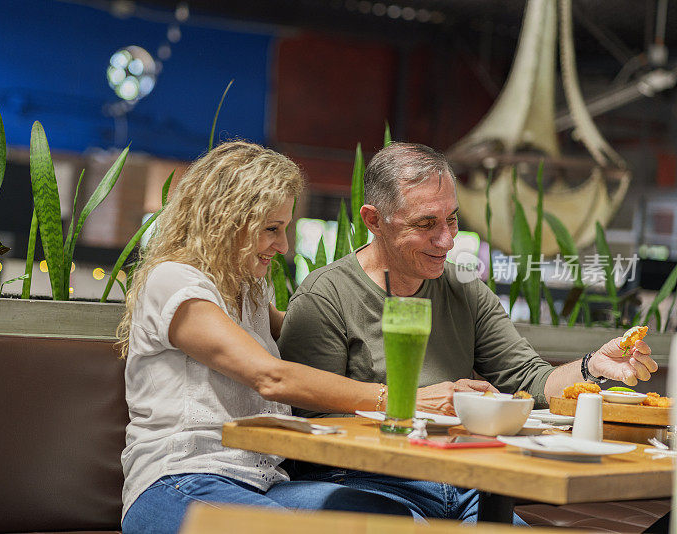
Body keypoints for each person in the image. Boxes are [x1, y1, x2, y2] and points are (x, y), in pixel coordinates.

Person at [277, 142, 657, 521]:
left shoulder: (464, 288)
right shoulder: (326, 295)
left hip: (465, 484)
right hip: (368, 483)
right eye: (426, 224)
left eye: (452, 219)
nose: (447, 240)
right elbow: (310, 425)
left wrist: (594, 365)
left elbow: (530, 380)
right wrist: (412, 408)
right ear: (374, 220)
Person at [117, 141, 411, 534]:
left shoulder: (251, 288)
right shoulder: (175, 280)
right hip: (178, 482)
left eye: (285, 228)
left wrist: (371, 316)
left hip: (262, 483)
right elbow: (271, 376)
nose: (284, 246)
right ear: (225, 219)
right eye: (271, 229)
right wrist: (393, 399)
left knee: (387, 517)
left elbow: (304, 325)